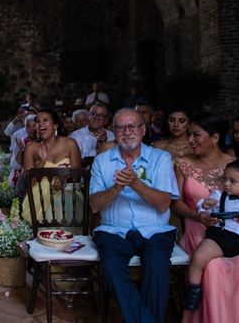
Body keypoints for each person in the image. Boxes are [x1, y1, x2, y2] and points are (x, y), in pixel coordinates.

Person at [89, 108, 179, 323]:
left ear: (143, 130)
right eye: (120, 127)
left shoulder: (161, 159)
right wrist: (116, 188)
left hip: (156, 230)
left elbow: (164, 203)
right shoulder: (101, 162)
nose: (127, 132)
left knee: (157, 263)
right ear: (114, 131)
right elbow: (94, 206)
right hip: (113, 231)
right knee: (109, 265)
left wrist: (136, 183)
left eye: (132, 126)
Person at [172, 113, 238, 323]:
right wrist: (197, 216)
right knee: (209, 268)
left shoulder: (235, 165)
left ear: (215, 138)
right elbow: (176, 203)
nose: (190, 140)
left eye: (196, 135)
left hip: (233, 232)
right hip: (197, 232)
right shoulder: (183, 164)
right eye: (190, 135)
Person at [184, 160, 239, 312]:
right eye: (225, 179)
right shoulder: (219, 195)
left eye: (232, 181)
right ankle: (194, 290)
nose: (226, 184)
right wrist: (205, 204)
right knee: (198, 257)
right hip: (221, 236)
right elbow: (203, 207)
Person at [20, 109, 82, 223]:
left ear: (55, 125)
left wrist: (65, 178)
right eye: (38, 121)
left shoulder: (70, 143)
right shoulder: (31, 148)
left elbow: (78, 174)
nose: (40, 123)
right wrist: (42, 162)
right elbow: (30, 182)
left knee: (63, 201)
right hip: (39, 192)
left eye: (45, 120)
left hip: (67, 190)